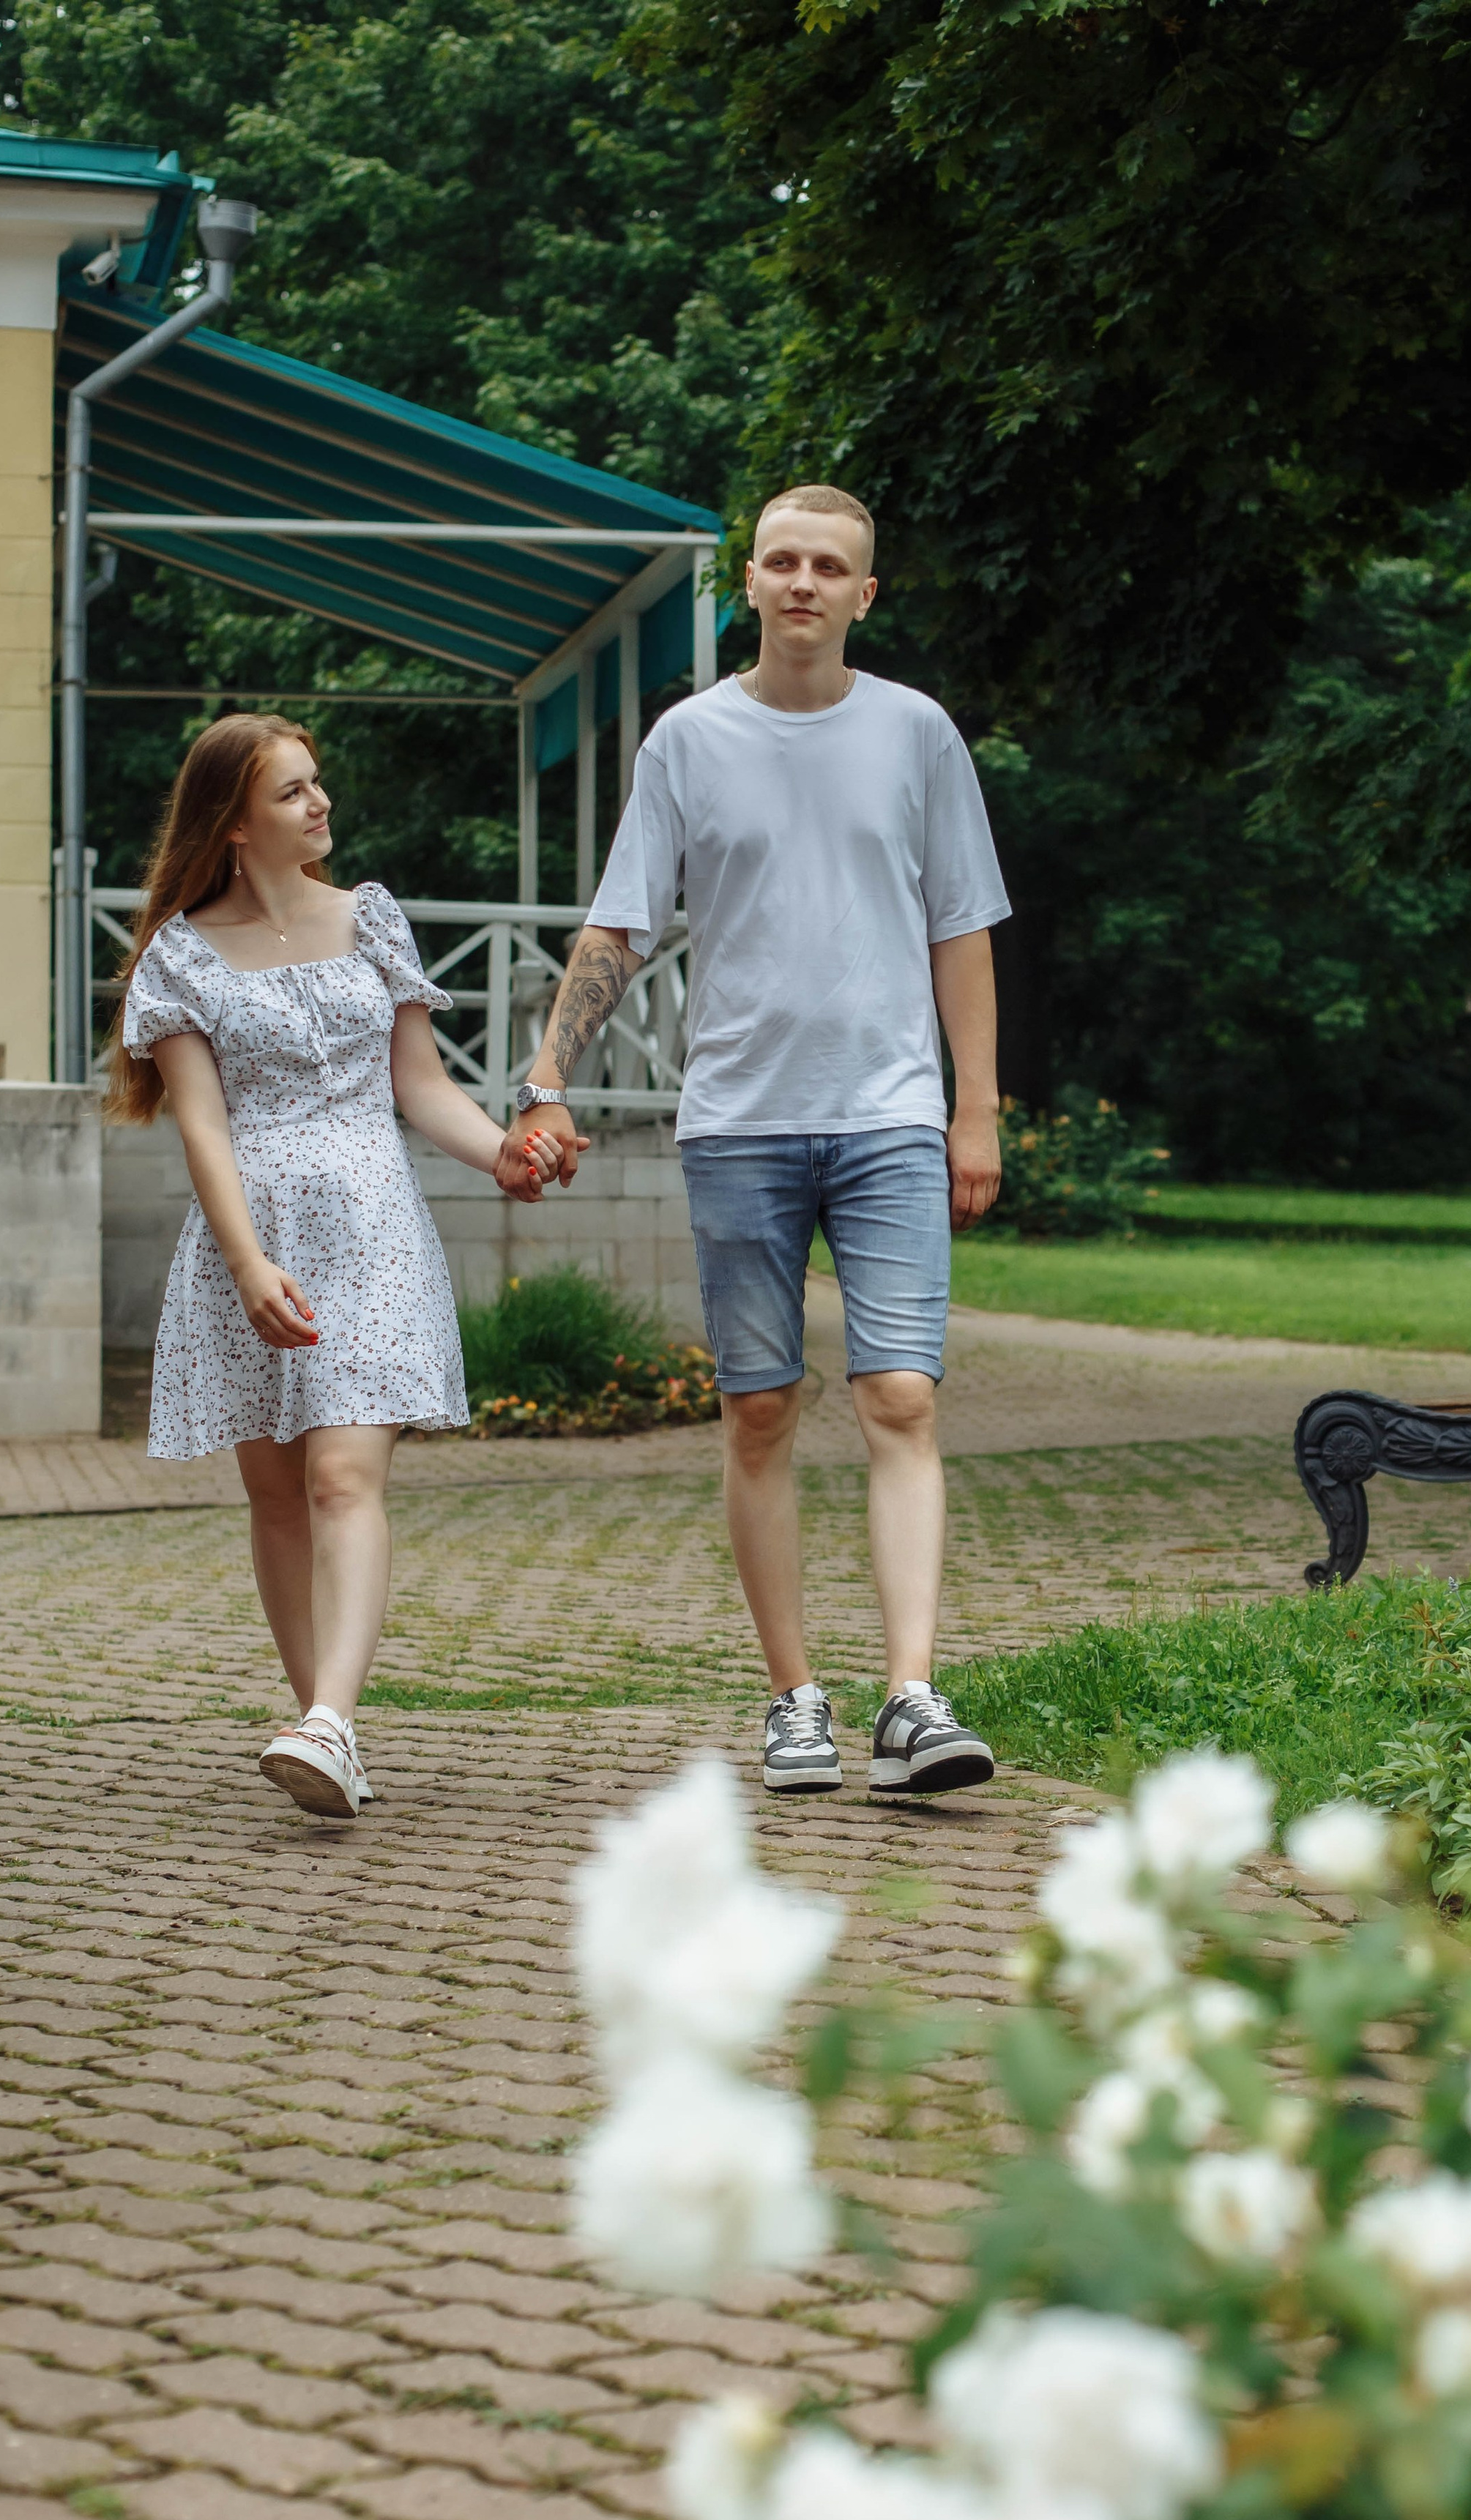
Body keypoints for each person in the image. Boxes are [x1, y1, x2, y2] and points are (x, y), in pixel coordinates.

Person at [500, 484, 1008, 1798]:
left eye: (828, 566)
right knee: (762, 1411)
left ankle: (911, 1694)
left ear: (863, 593)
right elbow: (620, 926)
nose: (801, 583)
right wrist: (551, 1074)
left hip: (891, 1114)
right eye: (780, 561)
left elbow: (963, 927)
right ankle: (794, 1698)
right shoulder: (688, 740)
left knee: (901, 1395)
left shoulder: (918, 733)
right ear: (753, 583)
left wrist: (977, 1107)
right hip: (740, 1121)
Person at [105, 714, 562, 1821]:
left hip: (369, 1224)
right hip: (246, 1240)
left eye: (319, 787)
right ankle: (325, 1726)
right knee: (273, 1492)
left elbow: (419, 1084)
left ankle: (330, 1723)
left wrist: (502, 1148)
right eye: (293, 793)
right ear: (233, 822)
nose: (321, 807)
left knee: (342, 1477)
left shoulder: (372, 918)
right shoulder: (179, 956)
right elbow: (203, 1129)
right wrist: (248, 1261)